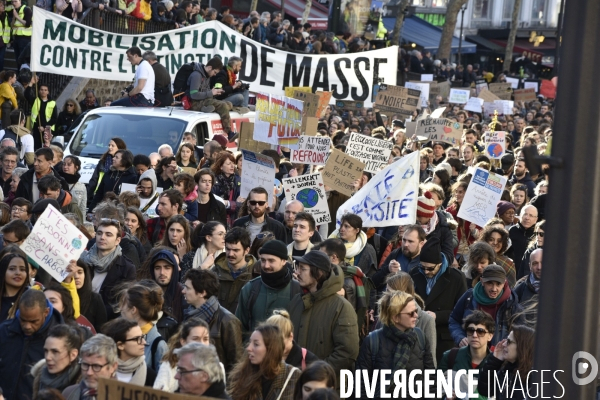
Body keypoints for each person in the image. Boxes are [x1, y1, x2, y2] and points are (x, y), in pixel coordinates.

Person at [355, 290, 435, 398]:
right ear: (395, 317)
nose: (416, 315)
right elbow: (361, 386)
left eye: (416, 311)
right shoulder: (373, 341)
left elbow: (431, 380)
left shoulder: (419, 337)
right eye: (411, 313)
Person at [288, 250, 359, 372]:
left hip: (327, 386)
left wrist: (316, 373)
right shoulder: (296, 301)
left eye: (303, 269)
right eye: (297, 268)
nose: (297, 273)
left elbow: (347, 352)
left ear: (319, 273)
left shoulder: (341, 307)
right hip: (295, 382)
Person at [409, 236, 467, 362]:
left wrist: (437, 315)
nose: (426, 271)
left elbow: (462, 311)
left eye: (430, 268)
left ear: (440, 264)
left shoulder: (456, 278)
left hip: (443, 338)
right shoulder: (415, 273)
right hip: (418, 334)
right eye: (422, 267)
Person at [0, 289, 64, 400]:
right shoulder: (5, 331)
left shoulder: (60, 340)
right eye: (23, 320)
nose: (27, 326)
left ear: (46, 312)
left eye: (34, 321)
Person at [181, 268, 243, 373]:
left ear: (202, 293)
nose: (183, 291)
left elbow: (236, 363)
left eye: (187, 288)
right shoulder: (189, 316)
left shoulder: (228, 320)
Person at [236, 240, 301, 336]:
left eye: (271, 261)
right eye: (263, 260)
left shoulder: (297, 290)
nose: (266, 266)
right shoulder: (250, 288)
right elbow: (239, 328)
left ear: (284, 261)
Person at [449, 265, 522, 348]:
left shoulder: (511, 304)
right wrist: (460, 337)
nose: (494, 289)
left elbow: (521, 334)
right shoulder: (469, 297)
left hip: (498, 357)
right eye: (490, 283)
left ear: (504, 282)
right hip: (469, 353)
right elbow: (454, 320)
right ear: (482, 281)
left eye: (498, 284)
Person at [79, 218, 136, 320]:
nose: (102, 237)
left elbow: (121, 304)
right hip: (79, 315)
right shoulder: (83, 260)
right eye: (99, 233)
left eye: (108, 235)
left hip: (106, 322)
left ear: (117, 240)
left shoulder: (126, 268)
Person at [229, 324, 301, 400]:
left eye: (256, 344)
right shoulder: (243, 373)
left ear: (271, 349)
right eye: (249, 343)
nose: (248, 348)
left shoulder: (293, 376)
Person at [383, 272, 437, 366]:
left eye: (390, 292)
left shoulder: (426, 320)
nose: (386, 296)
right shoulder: (385, 316)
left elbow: (431, 360)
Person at [438, 310, 494, 397]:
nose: (475, 335)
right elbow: (436, 389)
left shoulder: (495, 363)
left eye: (480, 331)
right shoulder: (450, 356)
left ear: (490, 336)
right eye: (471, 330)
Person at [118, 280, 169, 373]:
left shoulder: (159, 345)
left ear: (133, 310)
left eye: (123, 304)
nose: (121, 308)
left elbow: (164, 384)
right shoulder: (119, 336)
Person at [187, 57, 239, 142]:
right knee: (222, 105)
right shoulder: (197, 75)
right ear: (210, 67)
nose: (215, 75)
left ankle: (210, 108)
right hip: (194, 103)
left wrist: (214, 92)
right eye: (215, 72)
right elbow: (194, 94)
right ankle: (229, 133)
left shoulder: (206, 75)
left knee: (229, 104)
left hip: (204, 100)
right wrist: (211, 93)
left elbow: (207, 92)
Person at [153, 318, 211, 393]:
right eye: (195, 339)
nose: (201, 344)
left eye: (205, 339)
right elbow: (158, 395)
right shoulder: (169, 366)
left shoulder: (217, 367)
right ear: (183, 341)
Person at [477, 325, 536, 399]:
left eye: (509, 342)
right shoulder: (506, 369)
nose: (504, 344)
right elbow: (484, 390)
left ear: (522, 346)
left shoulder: (534, 376)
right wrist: (495, 360)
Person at [209, 227, 256, 313]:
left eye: (235, 250)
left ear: (246, 250)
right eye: (228, 249)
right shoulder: (215, 272)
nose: (230, 254)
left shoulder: (255, 273)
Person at [101, 318, 156, 387]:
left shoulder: (150, 376)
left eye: (142, 337)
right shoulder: (101, 370)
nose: (144, 342)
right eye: (137, 339)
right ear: (120, 345)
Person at [61, 334, 119, 400]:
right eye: (85, 365)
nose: (89, 373)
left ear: (113, 367)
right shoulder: (69, 393)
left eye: (96, 366)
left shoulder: (124, 396)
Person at [31, 325, 82, 397]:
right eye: (46, 351)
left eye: (55, 352)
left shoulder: (83, 384)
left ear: (73, 355)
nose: (48, 357)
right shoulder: (39, 378)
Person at [329, 213, 377, 277]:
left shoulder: (367, 249)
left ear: (357, 230)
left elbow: (371, 275)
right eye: (341, 225)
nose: (342, 229)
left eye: (346, 226)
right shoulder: (330, 244)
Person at [86, 138, 126, 204]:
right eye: (109, 145)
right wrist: (87, 197)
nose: (110, 147)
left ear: (120, 148)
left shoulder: (127, 165)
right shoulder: (103, 161)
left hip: (119, 198)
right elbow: (94, 180)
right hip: (101, 195)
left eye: (113, 146)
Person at [71, 259, 107, 332]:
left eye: (80, 272)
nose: (76, 276)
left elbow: (102, 329)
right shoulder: (59, 298)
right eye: (72, 273)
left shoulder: (95, 299)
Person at [508, 205, 538, 281]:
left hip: (530, 275)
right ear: (520, 215)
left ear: (536, 219)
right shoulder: (512, 231)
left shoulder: (538, 234)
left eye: (531, 215)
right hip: (511, 272)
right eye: (525, 214)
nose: (527, 218)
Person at [211, 152, 241, 227]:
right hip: (216, 219)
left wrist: (228, 203)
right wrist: (234, 203)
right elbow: (213, 202)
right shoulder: (213, 180)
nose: (232, 166)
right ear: (221, 166)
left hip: (233, 220)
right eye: (228, 164)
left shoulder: (238, 180)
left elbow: (242, 204)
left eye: (233, 163)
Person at [0, 251, 30, 323]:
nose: (18, 273)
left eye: (22, 269)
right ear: (3, 271)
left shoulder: (31, 297)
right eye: (12, 269)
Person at [31, 83, 58, 150]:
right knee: (36, 148)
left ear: (48, 92)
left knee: (46, 148)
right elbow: (27, 94)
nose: (43, 91)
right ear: (39, 91)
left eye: (45, 90)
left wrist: (44, 127)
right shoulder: (36, 100)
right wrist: (31, 83)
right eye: (42, 90)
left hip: (48, 129)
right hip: (37, 129)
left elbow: (54, 118)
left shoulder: (53, 103)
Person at [10, 0, 32, 68]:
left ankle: (23, 75)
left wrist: (17, 17)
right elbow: (12, 25)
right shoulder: (15, 10)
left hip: (24, 38)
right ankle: (18, 75)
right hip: (16, 38)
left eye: (15, 1)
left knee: (23, 59)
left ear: (20, 1)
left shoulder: (27, 9)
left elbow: (28, 24)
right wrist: (14, 17)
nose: (14, 3)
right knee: (18, 59)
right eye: (12, 2)